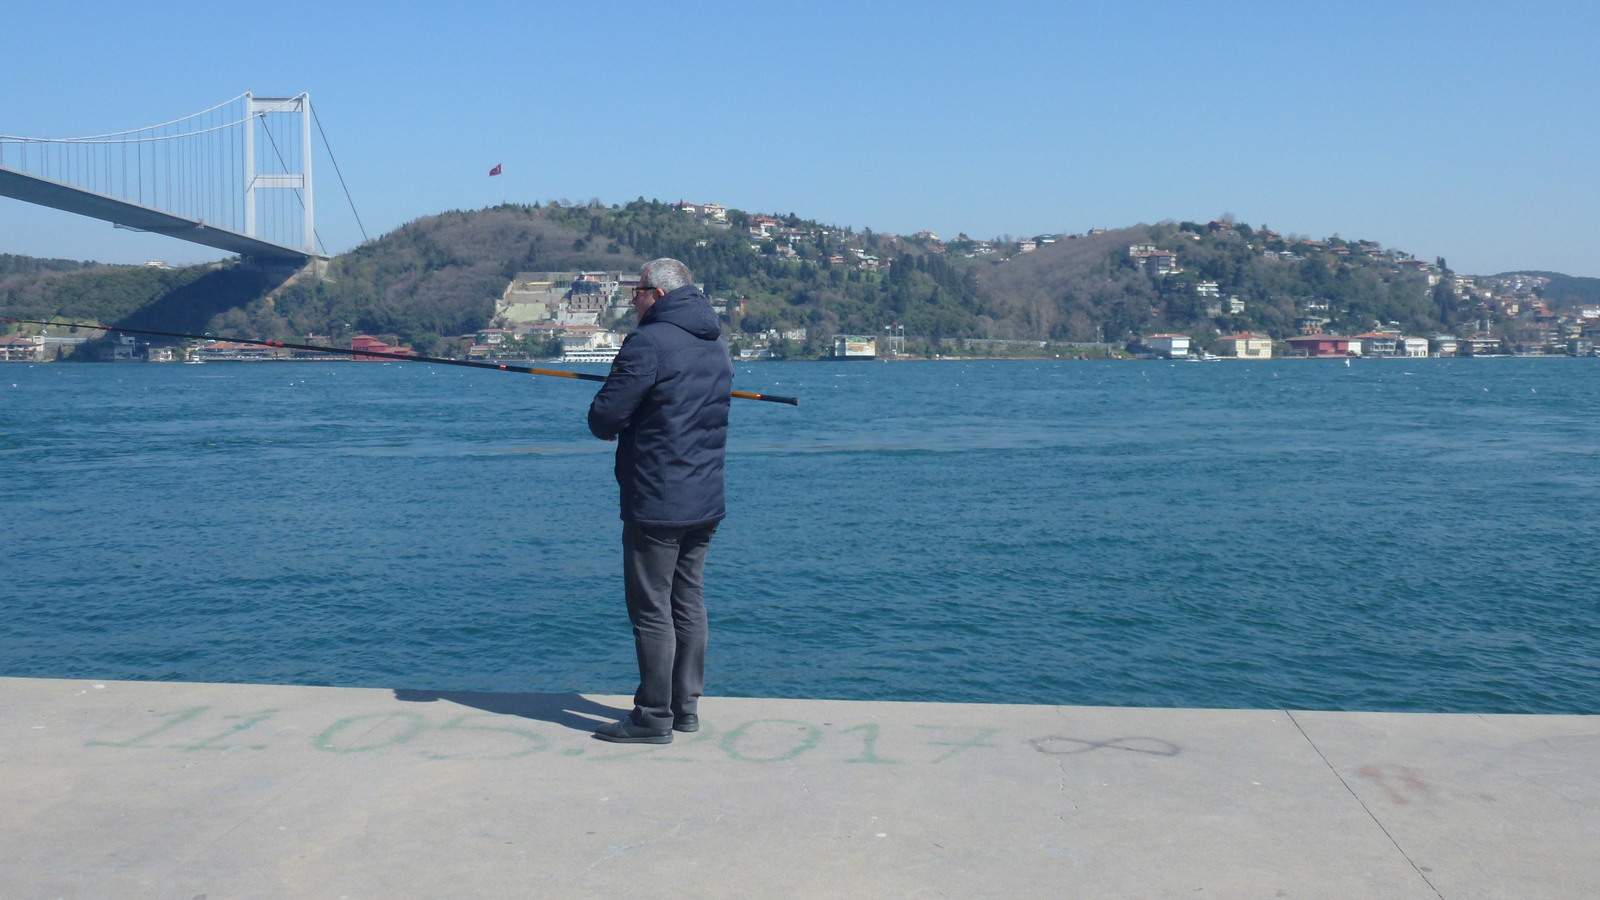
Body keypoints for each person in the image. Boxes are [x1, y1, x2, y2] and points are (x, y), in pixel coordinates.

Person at [587, 258, 733, 743]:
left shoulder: (648, 342)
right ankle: (685, 708)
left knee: (652, 609)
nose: (634, 301)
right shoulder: (716, 343)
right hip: (706, 498)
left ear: (660, 294)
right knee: (688, 601)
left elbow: (604, 418)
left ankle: (652, 717)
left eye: (638, 292)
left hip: (657, 499)